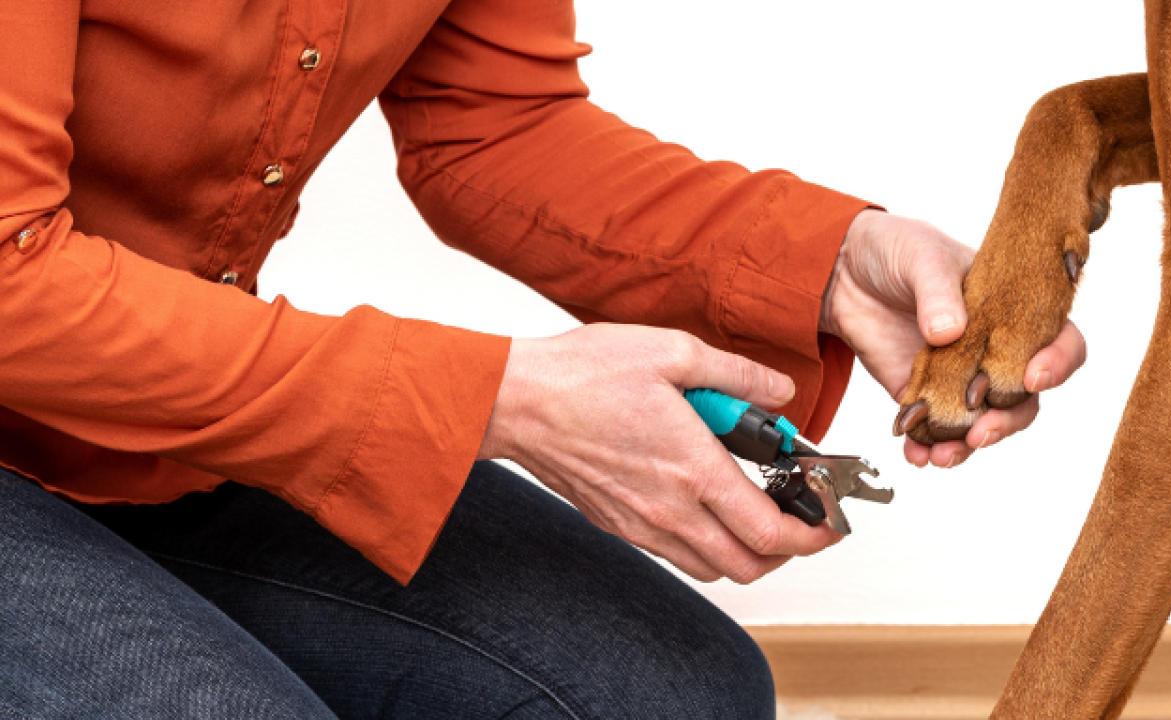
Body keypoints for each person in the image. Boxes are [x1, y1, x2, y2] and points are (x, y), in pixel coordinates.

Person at [0, 0, 1086, 717]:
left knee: (675, 696)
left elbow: (490, 126)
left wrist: (830, 264)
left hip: (165, 428)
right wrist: (497, 400)